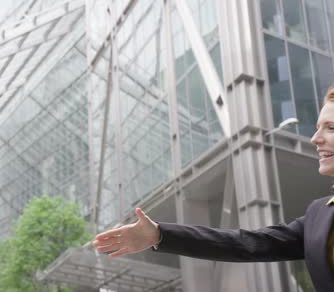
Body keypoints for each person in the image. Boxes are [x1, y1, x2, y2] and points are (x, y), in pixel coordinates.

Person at [92, 87, 334, 291]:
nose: (315, 138)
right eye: (318, 127)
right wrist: (159, 234)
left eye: (330, 128)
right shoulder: (318, 215)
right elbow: (247, 243)